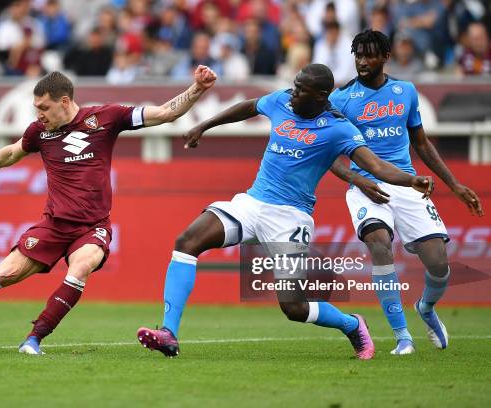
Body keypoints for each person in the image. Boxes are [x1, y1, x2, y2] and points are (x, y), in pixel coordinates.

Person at [0, 66, 218, 355]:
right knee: (6, 273)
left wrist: (197, 89)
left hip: (92, 226)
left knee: (81, 267)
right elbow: (13, 151)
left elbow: (164, 113)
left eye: (44, 107)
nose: (38, 114)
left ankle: (33, 339)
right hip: (53, 225)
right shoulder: (39, 132)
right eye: (36, 108)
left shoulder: (106, 118)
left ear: (65, 101)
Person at [137, 63, 435, 360]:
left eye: (301, 89)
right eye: (294, 85)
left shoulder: (339, 128)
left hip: (290, 218)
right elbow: (249, 107)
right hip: (252, 204)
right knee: (187, 242)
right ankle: (169, 333)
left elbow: (376, 166)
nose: (293, 92)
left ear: (320, 96)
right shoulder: (282, 100)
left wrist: (411, 179)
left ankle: (352, 324)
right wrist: (204, 125)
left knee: (294, 307)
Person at [328, 30, 484, 355]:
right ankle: (402, 337)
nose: (362, 61)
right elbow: (326, 153)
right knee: (379, 245)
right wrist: (358, 181)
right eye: (358, 54)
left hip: (406, 183)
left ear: (386, 56)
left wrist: (454, 185)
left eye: (369, 55)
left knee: (439, 263)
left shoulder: (405, 91)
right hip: (366, 187)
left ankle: (425, 307)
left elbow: (421, 142)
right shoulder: (341, 100)